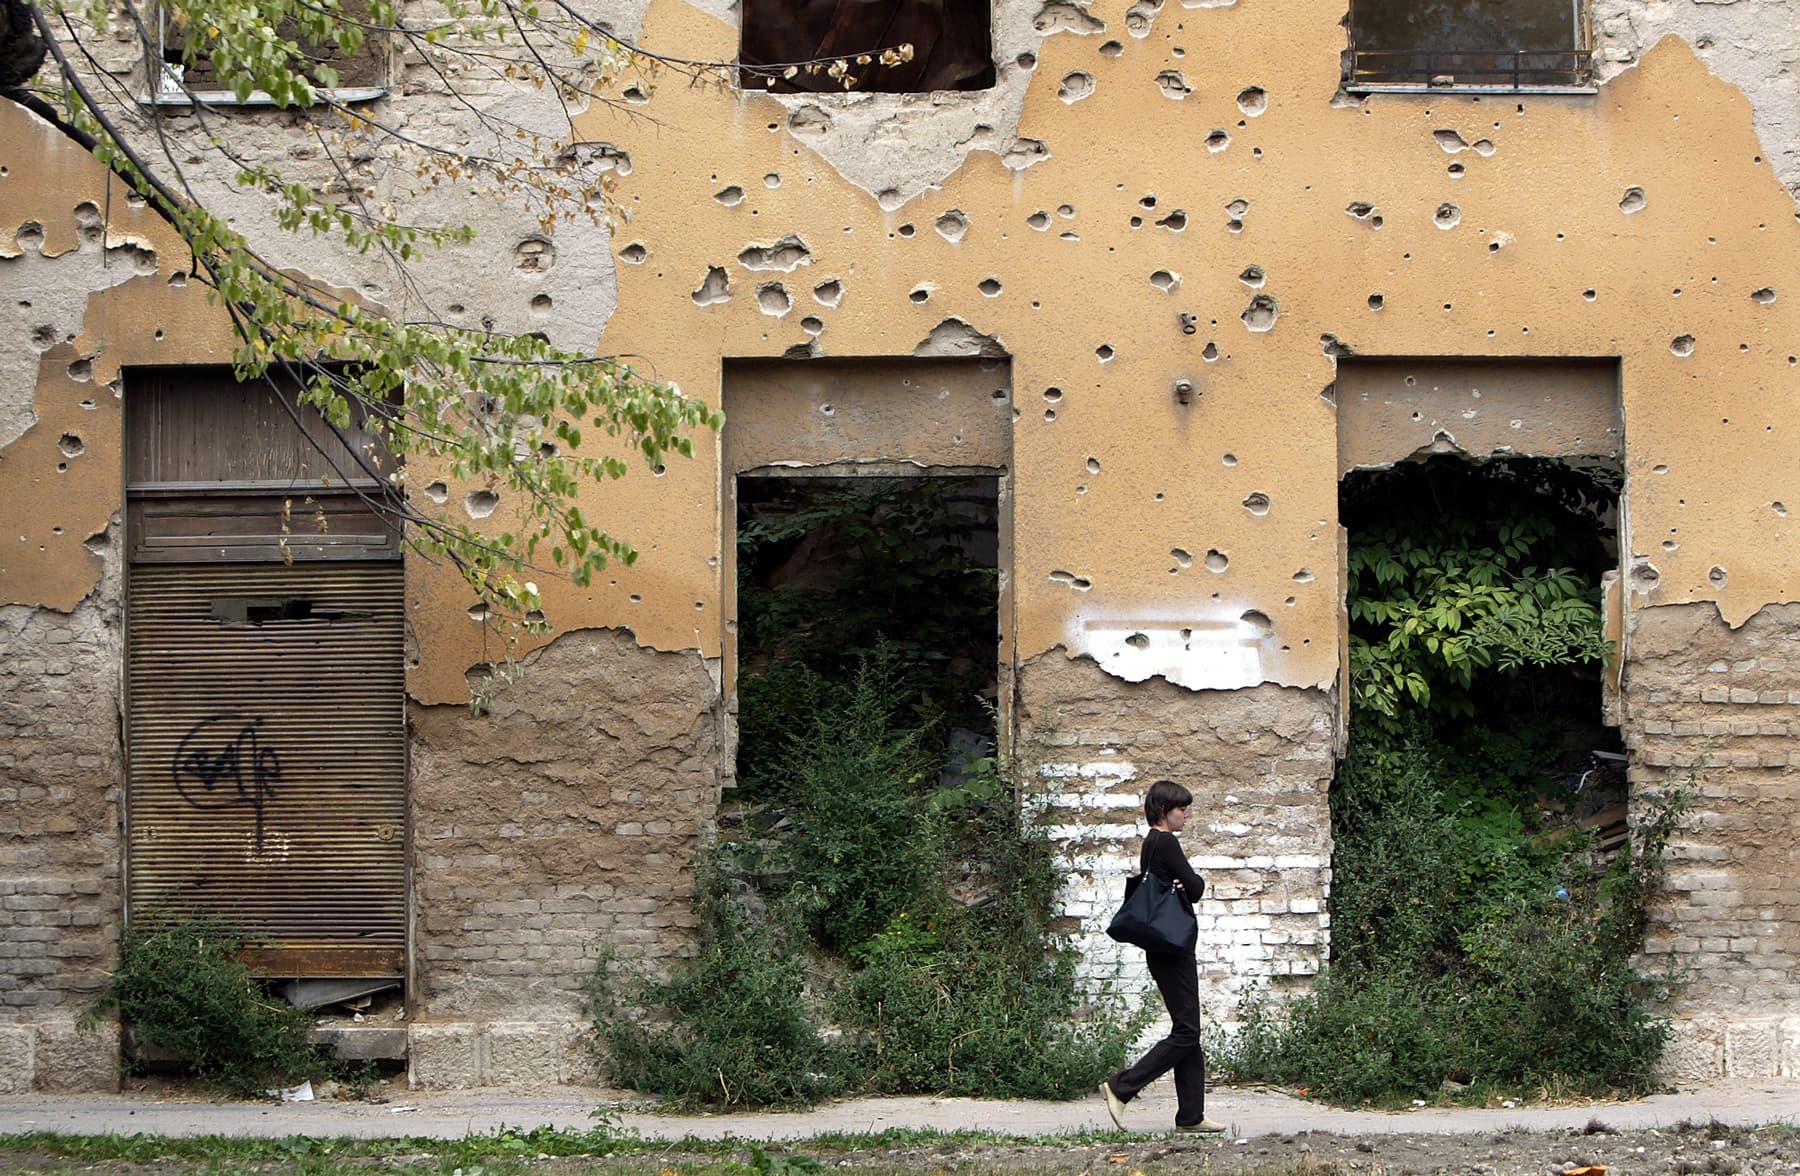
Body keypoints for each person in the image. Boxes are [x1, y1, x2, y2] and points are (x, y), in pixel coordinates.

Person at [1100, 778, 1224, 1134]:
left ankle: (1191, 1116)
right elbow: (1197, 889)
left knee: (1189, 1030)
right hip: (1174, 948)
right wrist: (1189, 883)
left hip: (1162, 947)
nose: (1186, 816)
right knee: (1186, 1032)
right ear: (1162, 811)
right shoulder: (1167, 842)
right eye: (1181, 810)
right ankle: (1121, 1087)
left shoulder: (1150, 843)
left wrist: (1180, 883)